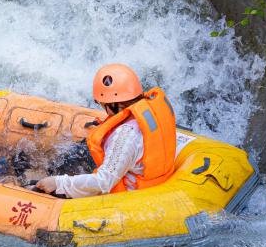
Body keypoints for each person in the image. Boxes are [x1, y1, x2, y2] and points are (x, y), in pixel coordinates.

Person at [35, 64, 176, 198]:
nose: (101, 106)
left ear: (114, 104)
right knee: (76, 152)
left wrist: (58, 183)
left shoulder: (126, 136)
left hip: (129, 195)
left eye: (101, 103)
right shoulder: (147, 112)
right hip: (149, 175)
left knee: (46, 180)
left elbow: (103, 182)